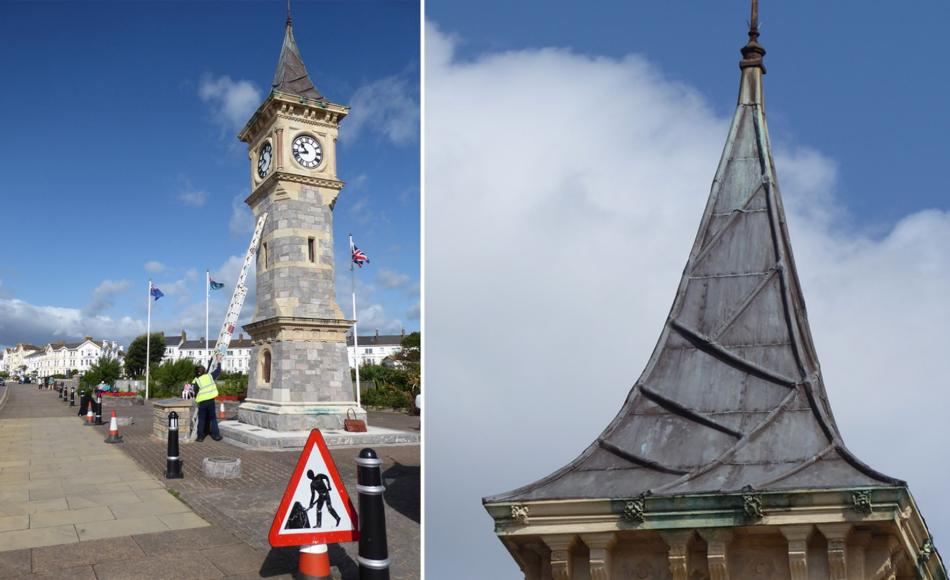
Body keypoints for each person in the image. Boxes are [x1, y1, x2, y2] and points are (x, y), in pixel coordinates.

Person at [193, 357, 222, 442]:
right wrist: (219, 362)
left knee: (201, 419)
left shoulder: (197, 381)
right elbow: (218, 371)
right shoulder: (210, 376)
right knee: (213, 418)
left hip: (202, 402)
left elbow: (195, 391)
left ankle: (200, 437)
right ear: (204, 371)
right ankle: (216, 436)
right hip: (210, 401)